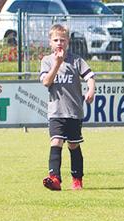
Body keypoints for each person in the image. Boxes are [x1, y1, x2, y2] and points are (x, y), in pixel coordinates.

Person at [40, 24, 95, 191]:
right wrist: (57, 63)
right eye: (55, 40)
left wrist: (91, 90)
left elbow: (90, 76)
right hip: (56, 112)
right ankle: (54, 178)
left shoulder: (76, 60)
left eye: (62, 40)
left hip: (74, 112)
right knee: (56, 141)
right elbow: (46, 82)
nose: (59, 43)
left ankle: (77, 178)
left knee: (73, 145)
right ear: (50, 42)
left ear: (68, 42)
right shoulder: (47, 61)